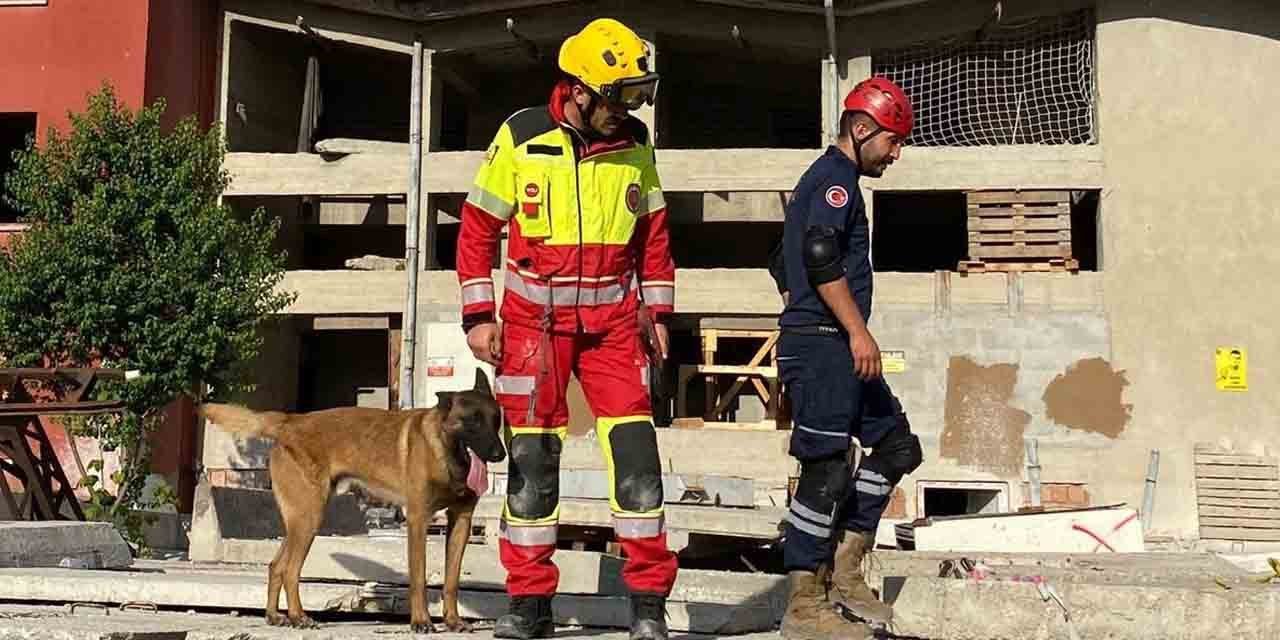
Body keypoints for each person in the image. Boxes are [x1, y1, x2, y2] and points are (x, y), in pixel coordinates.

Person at [454, 17, 678, 640]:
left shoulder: (634, 146)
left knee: (638, 460)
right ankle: (529, 608)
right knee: (531, 463)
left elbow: (654, 239)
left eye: (638, 94)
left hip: (612, 331)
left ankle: (648, 605)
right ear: (580, 89)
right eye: (620, 95)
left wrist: (657, 316)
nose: (629, 108)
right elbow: (477, 230)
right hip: (533, 330)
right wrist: (478, 317)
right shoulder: (522, 137)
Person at [769, 77, 925, 640]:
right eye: (893, 140)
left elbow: (778, 258)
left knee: (897, 444)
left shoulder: (829, 181)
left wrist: (805, 307)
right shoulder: (834, 180)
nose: (897, 152)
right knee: (826, 465)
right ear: (862, 130)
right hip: (825, 344)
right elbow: (816, 254)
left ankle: (844, 568)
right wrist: (851, 329)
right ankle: (804, 604)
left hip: (829, 337)